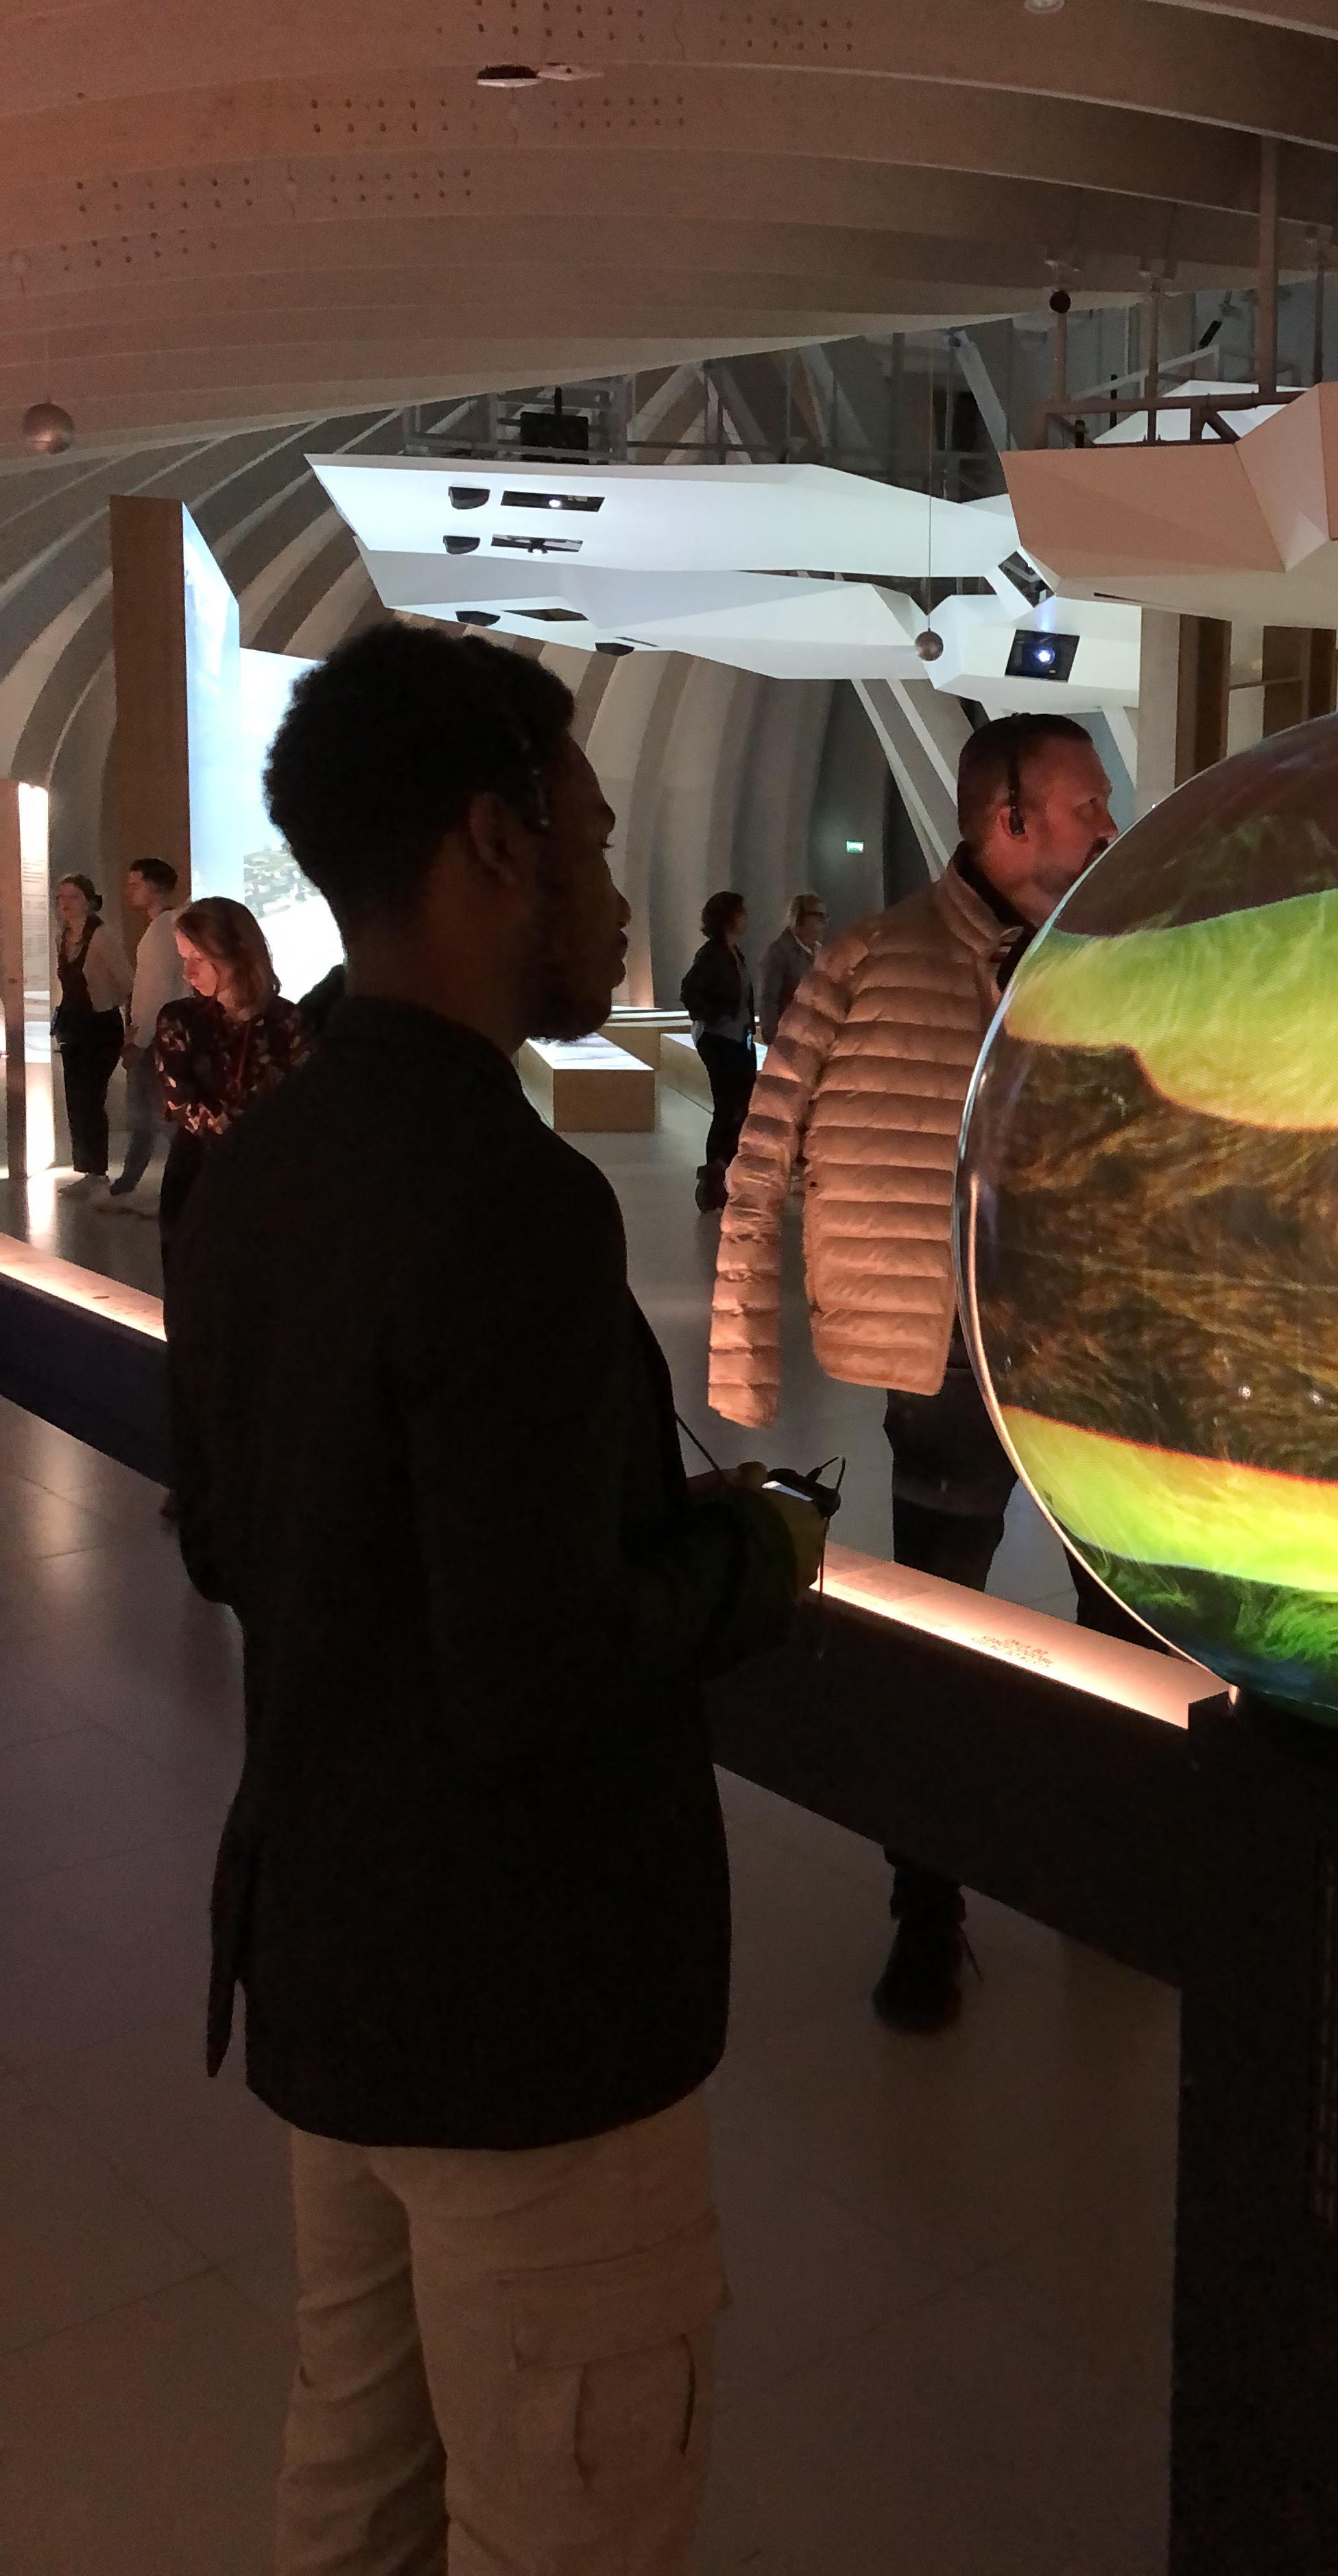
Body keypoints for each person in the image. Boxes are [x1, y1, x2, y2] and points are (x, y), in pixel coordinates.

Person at [167, 621, 820, 2576]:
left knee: (353, 2485)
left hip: (330, 1972)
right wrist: (753, 1558)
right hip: (524, 2020)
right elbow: (538, 1673)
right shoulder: (515, 1202)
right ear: (494, 841)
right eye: (594, 841)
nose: (614, 895)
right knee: (566, 2511)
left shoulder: (256, 1170)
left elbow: (225, 1541)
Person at [710, 715, 1150, 2034]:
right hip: (944, 1367)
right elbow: (758, 1161)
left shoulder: (1120, 962)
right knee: (939, 1645)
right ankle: (926, 1906)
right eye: (1085, 802)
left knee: (1121, 1649)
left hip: (1089, 1369)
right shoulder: (869, 963)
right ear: (1009, 819)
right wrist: (741, 1364)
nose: (1107, 825)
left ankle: (1110, 1875)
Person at [152, 898, 308, 1264]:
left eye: (199, 958)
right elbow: (181, 1102)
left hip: (272, 1181)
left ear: (235, 953)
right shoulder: (181, 1019)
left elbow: (304, 1101)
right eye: (184, 958)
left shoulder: (286, 1020)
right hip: (201, 1176)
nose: (188, 973)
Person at [97, 857, 185, 1213]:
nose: (129, 891)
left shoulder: (162, 932)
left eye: (136, 884)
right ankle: (133, 1182)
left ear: (155, 886)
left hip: (155, 1038)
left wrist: (141, 1039)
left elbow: (157, 993)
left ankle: (142, 1185)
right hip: (158, 1035)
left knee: (153, 1114)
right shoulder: (165, 928)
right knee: (152, 1115)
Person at [51, 871, 132, 1191]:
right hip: (74, 1025)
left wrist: (129, 1020)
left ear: (88, 900)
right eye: (61, 897)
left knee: (91, 1097)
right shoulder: (63, 937)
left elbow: (126, 981)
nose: (65, 904)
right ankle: (86, 1169)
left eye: (73, 897)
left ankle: (97, 1170)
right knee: (76, 1099)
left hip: (100, 1026)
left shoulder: (101, 936)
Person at [680, 890, 756, 1215]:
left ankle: (720, 1169)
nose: (746, 918)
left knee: (740, 1104)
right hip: (719, 1038)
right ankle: (714, 1177)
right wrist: (714, 1016)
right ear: (729, 917)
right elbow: (690, 992)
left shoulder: (734, 953)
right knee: (727, 1106)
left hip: (737, 1038)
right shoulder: (712, 955)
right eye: (742, 912)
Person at [756, 891, 826, 1043]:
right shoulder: (779, 953)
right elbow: (768, 999)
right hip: (790, 1038)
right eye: (819, 916)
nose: (824, 923)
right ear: (800, 918)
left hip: (815, 1037)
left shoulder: (821, 952)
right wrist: (774, 1039)